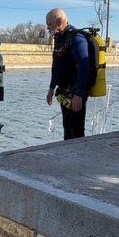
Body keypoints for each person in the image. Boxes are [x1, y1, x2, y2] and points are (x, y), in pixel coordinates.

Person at [46, 8, 89, 140]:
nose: (48, 28)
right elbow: (56, 65)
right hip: (64, 91)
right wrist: (51, 88)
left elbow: (84, 65)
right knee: (67, 129)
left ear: (59, 21)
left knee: (77, 131)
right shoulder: (60, 38)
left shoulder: (77, 38)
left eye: (49, 25)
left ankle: (79, 159)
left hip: (76, 92)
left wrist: (79, 94)